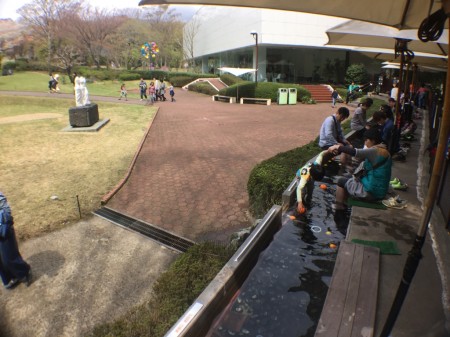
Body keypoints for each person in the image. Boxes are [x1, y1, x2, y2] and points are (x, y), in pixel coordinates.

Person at [328, 128, 392, 210]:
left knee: (341, 181)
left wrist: (338, 147)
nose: (365, 143)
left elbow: (355, 152)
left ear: (373, 140)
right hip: (379, 190)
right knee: (349, 178)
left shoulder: (375, 151)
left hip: (372, 193)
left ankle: (338, 206)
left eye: (366, 140)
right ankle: (345, 202)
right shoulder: (383, 150)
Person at [0, 192, 32, 289]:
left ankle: (24, 273)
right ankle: (12, 277)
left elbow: (5, 208)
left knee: (9, 257)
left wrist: (5, 226)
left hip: (3, 230)